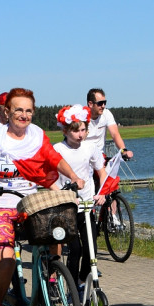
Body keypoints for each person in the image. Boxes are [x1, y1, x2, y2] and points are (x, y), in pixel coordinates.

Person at [0, 88, 86, 306]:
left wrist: (73, 176)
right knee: (6, 262)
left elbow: (52, 158)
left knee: (56, 231)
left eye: (28, 110)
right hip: (0, 206)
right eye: (18, 109)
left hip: (29, 204)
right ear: (7, 112)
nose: (24, 115)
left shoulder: (37, 134)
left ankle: (52, 279)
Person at [54, 104, 108, 290]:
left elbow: (101, 172)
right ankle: (71, 286)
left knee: (90, 247)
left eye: (83, 130)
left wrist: (102, 193)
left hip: (86, 204)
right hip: (67, 205)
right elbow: (49, 178)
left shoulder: (90, 148)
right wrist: (62, 195)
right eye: (76, 131)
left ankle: (83, 281)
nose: (80, 135)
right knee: (75, 249)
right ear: (66, 130)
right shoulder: (58, 150)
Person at [84, 88, 132, 160]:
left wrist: (123, 150)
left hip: (99, 157)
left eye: (104, 103)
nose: (103, 106)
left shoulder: (106, 114)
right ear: (90, 104)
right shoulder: (81, 116)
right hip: (83, 158)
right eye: (100, 103)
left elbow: (115, 134)